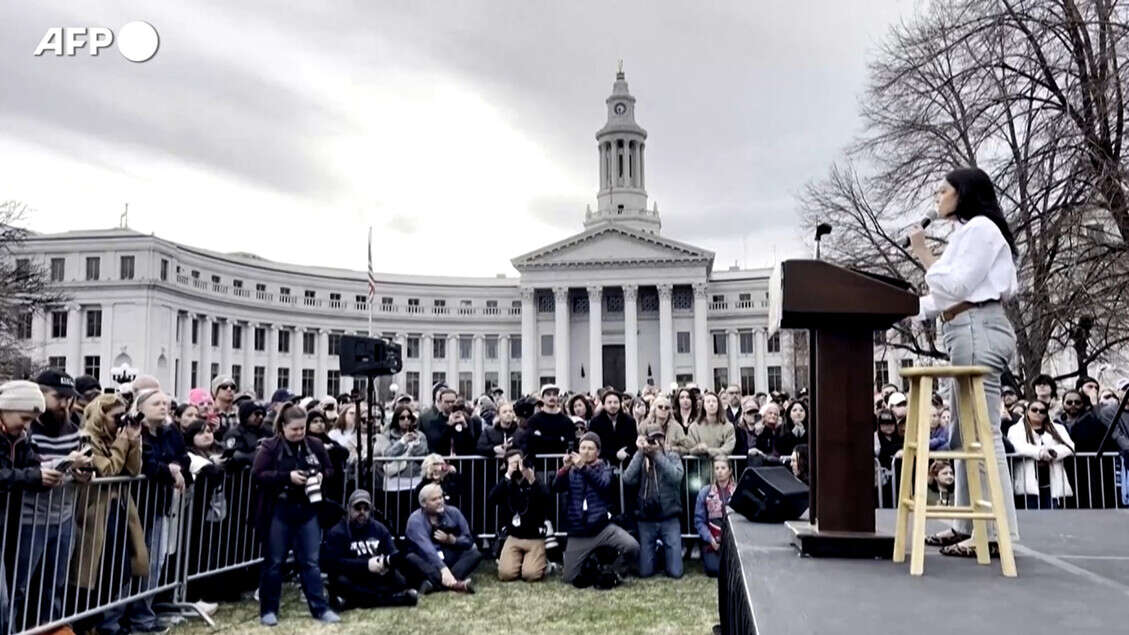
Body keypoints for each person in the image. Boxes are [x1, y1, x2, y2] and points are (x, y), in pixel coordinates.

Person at [910, 166, 1020, 557]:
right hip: (962, 326)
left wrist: (924, 252)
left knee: (983, 433)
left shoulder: (982, 230)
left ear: (964, 194)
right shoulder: (965, 234)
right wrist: (901, 307)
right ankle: (965, 524)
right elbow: (942, 297)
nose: (938, 197)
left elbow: (955, 286)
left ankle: (992, 532)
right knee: (962, 433)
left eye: (944, 190)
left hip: (978, 328)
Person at [11, 370, 93, 629]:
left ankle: (50, 629)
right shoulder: (26, 427)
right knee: (19, 585)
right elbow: (31, 466)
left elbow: (81, 463)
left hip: (63, 516)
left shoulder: (73, 427)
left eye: (70, 398)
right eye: (59, 397)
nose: (65, 404)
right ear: (40, 395)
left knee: (54, 584)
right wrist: (66, 463)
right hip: (29, 518)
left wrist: (83, 473)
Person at [252, 403, 339, 626]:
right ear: (283, 426)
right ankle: (268, 610)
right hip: (279, 509)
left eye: (302, 428)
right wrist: (286, 477)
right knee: (274, 562)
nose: (299, 433)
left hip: (308, 509)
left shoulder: (315, 444)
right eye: (295, 429)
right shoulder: (270, 447)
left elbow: (330, 469)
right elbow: (259, 474)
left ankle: (320, 608)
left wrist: (320, 476)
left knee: (310, 561)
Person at [71, 394, 152, 633]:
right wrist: (124, 442)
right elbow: (108, 470)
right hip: (95, 514)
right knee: (93, 575)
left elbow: (134, 469)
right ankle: (85, 625)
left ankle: (101, 623)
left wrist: (134, 441)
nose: (121, 421)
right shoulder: (86, 440)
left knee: (120, 571)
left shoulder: (118, 438)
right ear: (100, 415)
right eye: (117, 417)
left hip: (119, 511)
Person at [0, 381, 62, 635]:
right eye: (24, 418)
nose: (27, 425)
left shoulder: (20, 438)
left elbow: (31, 464)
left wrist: (55, 470)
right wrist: (33, 477)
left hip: (7, 524)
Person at [553, 432, 639, 586]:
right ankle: (593, 567)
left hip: (602, 527)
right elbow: (557, 487)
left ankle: (614, 571)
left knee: (632, 547)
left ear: (597, 452)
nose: (585, 451)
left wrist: (583, 467)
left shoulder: (605, 468)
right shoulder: (572, 470)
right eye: (583, 448)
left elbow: (603, 485)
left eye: (590, 448)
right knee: (569, 578)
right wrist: (564, 469)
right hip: (578, 531)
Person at [320, 489, 419, 609]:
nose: (362, 512)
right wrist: (366, 565)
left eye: (366, 509)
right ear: (348, 508)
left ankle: (354, 601)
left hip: (376, 575)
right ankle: (390, 599)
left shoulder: (379, 528)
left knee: (400, 580)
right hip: (352, 575)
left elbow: (392, 553)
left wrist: (386, 564)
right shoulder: (337, 532)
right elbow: (334, 563)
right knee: (342, 581)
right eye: (357, 508)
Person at [622, 424, 684, 579]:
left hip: (669, 517)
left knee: (676, 572)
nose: (655, 441)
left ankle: (664, 553)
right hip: (646, 519)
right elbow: (627, 479)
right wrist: (640, 452)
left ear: (664, 439)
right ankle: (656, 553)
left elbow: (676, 477)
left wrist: (657, 456)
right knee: (645, 572)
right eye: (651, 438)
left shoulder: (672, 456)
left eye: (659, 437)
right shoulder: (640, 458)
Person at [403, 483, 479, 593]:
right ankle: (455, 583)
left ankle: (434, 584)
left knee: (474, 552)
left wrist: (452, 540)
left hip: (447, 554)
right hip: (426, 559)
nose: (440, 501)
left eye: (441, 497)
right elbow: (427, 550)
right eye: (434, 499)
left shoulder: (453, 512)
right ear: (424, 503)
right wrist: (443, 568)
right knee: (411, 558)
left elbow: (469, 539)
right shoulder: (415, 520)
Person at [488, 450, 551, 582]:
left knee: (531, 575)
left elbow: (546, 499)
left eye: (519, 462)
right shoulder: (506, 483)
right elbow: (492, 499)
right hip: (514, 536)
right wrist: (508, 475)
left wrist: (532, 479)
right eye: (513, 463)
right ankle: (520, 561)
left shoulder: (534, 481)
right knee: (506, 575)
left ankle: (543, 563)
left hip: (534, 536)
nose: (517, 466)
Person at [1007, 401, 1075, 509]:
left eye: (1042, 411)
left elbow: (1069, 446)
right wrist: (1040, 453)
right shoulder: (1016, 429)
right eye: (1034, 409)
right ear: (1027, 411)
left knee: (1053, 516)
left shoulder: (1058, 428)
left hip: (1052, 483)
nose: (1038, 413)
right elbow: (1017, 446)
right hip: (1028, 483)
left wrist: (1052, 453)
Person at [694, 457, 736, 577]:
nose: (720, 471)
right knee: (714, 570)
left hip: (732, 539)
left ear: (730, 470)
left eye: (723, 468)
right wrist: (710, 539)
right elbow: (699, 521)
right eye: (717, 468)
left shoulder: (737, 491)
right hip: (713, 539)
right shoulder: (705, 492)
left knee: (732, 570)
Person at [374, 405, 428, 494]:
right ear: (396, 419)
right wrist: (402, 442)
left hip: (415, 479)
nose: (406, 420)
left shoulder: (420, 435)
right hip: (394, 480)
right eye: (402, 418)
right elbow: (388, 454)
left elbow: (423, 454)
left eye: (409, 417)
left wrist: (416, 443)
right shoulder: (388, 435)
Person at [588, 390, 639, 465]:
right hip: (602, 463)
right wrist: (615, 454)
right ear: (603, 405)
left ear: (620, 404)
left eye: (616, 402)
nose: (613, 405)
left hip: (626, 461)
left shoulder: (630, 421)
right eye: (609, 402)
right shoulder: (595, 422)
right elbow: (594, 444)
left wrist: (626, 452)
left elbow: (633, 443)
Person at [525, 385, 574, 457]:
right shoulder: (533, 421)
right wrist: (559, 439)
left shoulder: (567, 421)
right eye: (548, 394)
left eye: (554, 394)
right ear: (542, 398)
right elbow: (531, 444)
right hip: (539, 466)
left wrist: (541, 439)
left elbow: (570, 443)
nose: (552, 397)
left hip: (562, 465)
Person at [221, 399, 269, 470]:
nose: (261, 417)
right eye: (257, 414)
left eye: (262, 414)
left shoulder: (267, 432)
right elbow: (235, 456)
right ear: (246, 416)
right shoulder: (234, 434)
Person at [687, 391, 736, 458]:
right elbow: (690, 448)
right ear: (704, 405)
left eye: (714, 401)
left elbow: (729, 447)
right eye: (708, 401)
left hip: (721, 466)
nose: (711, 404)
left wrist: (709, 451)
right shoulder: (694, 427)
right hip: (700, 466)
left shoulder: (728, 426)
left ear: (718, 404)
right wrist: (698, 449)